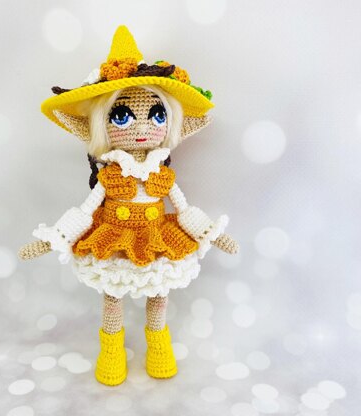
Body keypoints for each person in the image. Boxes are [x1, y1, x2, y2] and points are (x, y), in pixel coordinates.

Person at [19, 25, 239, 386]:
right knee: (113, 296)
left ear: (171, 123)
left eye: (157, 115)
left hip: (156, 236)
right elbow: (86, 211)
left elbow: (184, 210)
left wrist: (210, 233)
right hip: (115, 238)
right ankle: (112, 350)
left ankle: (158, 344)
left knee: (159, 294)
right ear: (101, 124)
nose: (141, 127)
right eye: (121, 116)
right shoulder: (110, 175)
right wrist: (55, 237)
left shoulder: (161, 174)